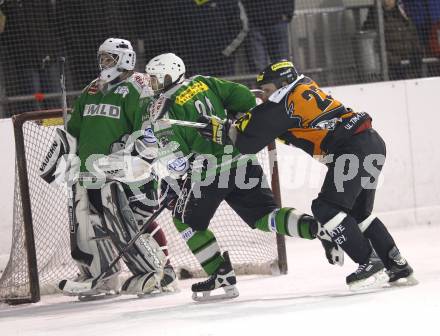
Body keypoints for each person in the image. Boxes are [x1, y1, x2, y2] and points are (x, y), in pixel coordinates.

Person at [197, 60, 417, 290]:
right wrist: (240, 122)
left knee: (326, 208)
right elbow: (271, 123)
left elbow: (248, 143)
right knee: (359, 213)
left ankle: (370, 262)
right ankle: (397, 265)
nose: (264, 96)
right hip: (371, 143)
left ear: (283, 84)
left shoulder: (283, 104)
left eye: (268, 90)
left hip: (352, 151)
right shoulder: (304, 86)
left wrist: (224, 130)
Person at [142, 53, 323, 301]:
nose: (152, 84)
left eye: (154, 79)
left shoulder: (162, 108)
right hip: (242, 161)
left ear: (168, 75)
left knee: (185, 222)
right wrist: (235, 124)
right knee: (264, 216)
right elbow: (246, 98)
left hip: (209, 174)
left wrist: (174, 181)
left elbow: (177, 161)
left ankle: (220, 274)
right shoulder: (204, 82)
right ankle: (316, 228)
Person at [40, 38, 176, 300]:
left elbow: (146, 129)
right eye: (102, 58)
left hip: (127, 170)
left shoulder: (139, 87)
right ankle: (102, 277)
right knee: (96, 224)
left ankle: (164, 272)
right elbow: (75, 127)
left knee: (138, 221)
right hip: (91, 171)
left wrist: (132, 159)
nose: (104, 63)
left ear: (125, 59)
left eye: (109, 58)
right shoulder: (93, 88)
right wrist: (67, 155)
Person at [362, 0, 423, 80]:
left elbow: (413, 36)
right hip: (390, 69)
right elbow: (372, 45)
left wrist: (416, 52)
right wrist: (392, 59)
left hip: (408, 66)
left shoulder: (403, 15)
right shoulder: (374, 18)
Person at [242, 0, 294, 72]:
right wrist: (288, 13)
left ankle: (265, 82)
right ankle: (282, 81)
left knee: (260, 65)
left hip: (257, 20)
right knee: (281, 64)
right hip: (275, 19)